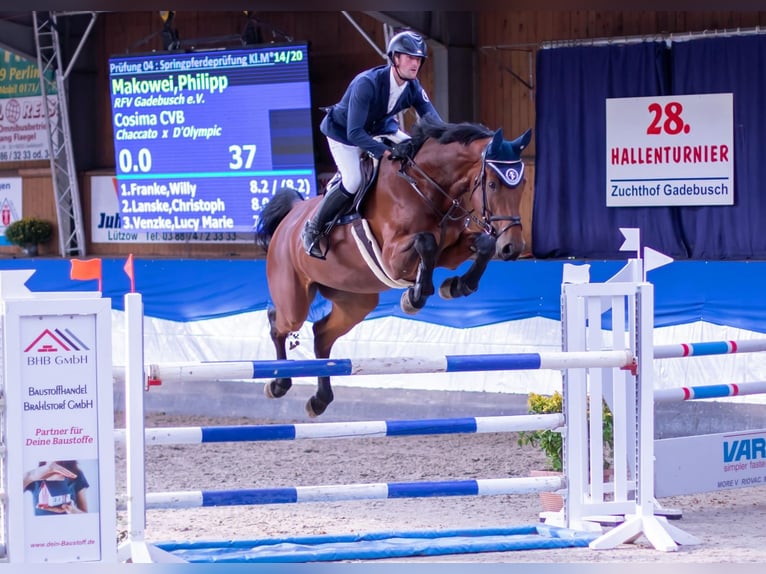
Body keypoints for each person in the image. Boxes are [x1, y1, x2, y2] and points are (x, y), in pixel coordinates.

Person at [302, 30, 444, 258]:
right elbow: (355, 132)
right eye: (410, 58)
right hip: (344, 134)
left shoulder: (413, 87)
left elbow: (434, 122)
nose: (415, 64)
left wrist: (453, 139)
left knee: (415, 158)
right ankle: (313, 228)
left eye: (418, 59)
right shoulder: (367, 83)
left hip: (380, 129)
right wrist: (387, 152)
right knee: (353, 180)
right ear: (395, 58)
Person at [23, 460, 89, 515]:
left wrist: (74, 511)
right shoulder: (35, 476)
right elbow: (16, 495)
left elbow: (85, 515)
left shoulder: (77, 474)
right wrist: (31, 475)